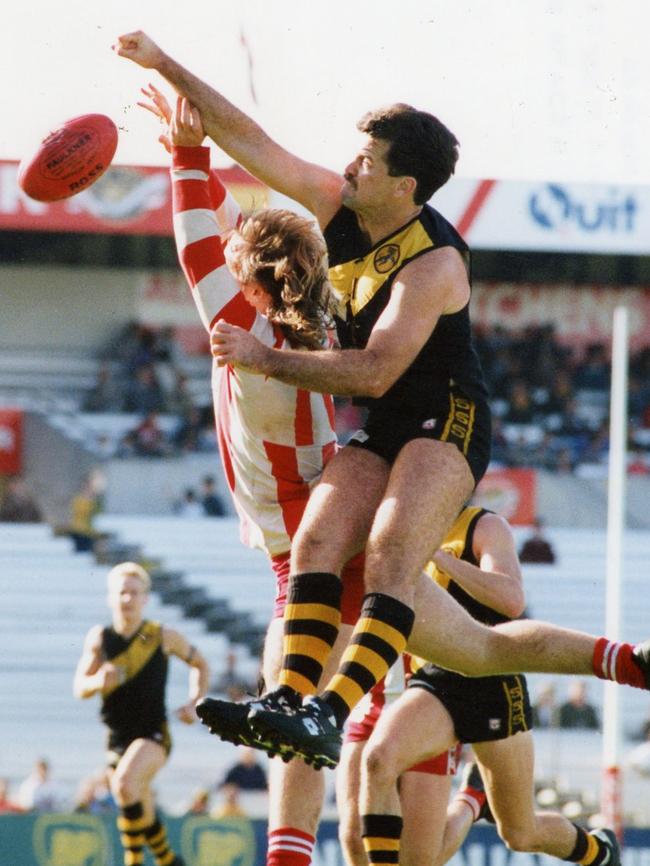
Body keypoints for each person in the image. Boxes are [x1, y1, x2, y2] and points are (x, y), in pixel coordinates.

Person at [115, 30, 650, 775]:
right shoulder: (342, 205)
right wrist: (164, 67)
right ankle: (287, 704)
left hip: (449, 421)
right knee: (319, 542)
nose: (347, 164)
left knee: (395, 560)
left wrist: (267, 357)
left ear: (405, 187)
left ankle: (324, 715)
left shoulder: (433, 265)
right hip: (391, 421)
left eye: (366, 159)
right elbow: (253, 142)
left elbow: (371, 373)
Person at [129, 89, 367, 866]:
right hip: (320, 525)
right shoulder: (303, 324)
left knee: (293, 713)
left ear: (254, 281)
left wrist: (188, 158)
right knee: (319, 710)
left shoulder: (248, 331)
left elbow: (200, 248)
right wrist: (198, 164)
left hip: (308, 542)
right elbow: (231, 238)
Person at [354, 506, 618, 866]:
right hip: (434, 682)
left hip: (492, 684)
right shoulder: (396, 525)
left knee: (519, 832)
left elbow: (511, 600)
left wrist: (440, 558)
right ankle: (470, 800)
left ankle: (597, 851)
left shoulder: (483, 526)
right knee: (378, 761)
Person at [73, 561, 209, 866]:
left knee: (124, 784)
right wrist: (98, 680)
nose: (127, 599)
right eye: (122, 592)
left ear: (145, 598)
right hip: (116, 737)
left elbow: (201, 664)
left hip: (153, 735)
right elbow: (79, 686)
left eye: (134, 592)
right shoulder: (100, 639)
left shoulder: (160, 635)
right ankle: (168, 860)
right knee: (136, 802)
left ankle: (133, 861)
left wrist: (194, 702)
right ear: (111, 597)